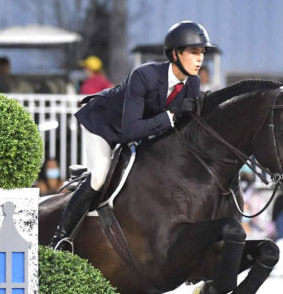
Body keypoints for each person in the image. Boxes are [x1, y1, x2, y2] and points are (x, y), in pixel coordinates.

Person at [50, 21, 215, 249]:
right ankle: (60, 239)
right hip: (104, 124)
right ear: (175, 54)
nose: (200, 59)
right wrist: (170, 116)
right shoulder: (144, 75)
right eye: (194, 52)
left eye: (202, 53)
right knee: (99, 175)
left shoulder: (193, 83)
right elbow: (130, 130)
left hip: (141, 131)